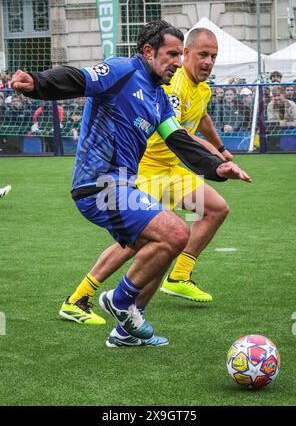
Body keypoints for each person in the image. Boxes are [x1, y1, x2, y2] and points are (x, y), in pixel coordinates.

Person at [12, 20, 251, 348]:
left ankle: (125, 330)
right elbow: (78, 78)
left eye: (180, 55)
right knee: (177, 232)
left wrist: (217, 166)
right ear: (148, 52)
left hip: (125, 187)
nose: (178, 62)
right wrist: (37, 82)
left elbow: (178, 139)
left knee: (162, 245)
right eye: (171, 54)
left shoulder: (159, 99)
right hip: (98, 186)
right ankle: (121, 301)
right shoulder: (122, 69)